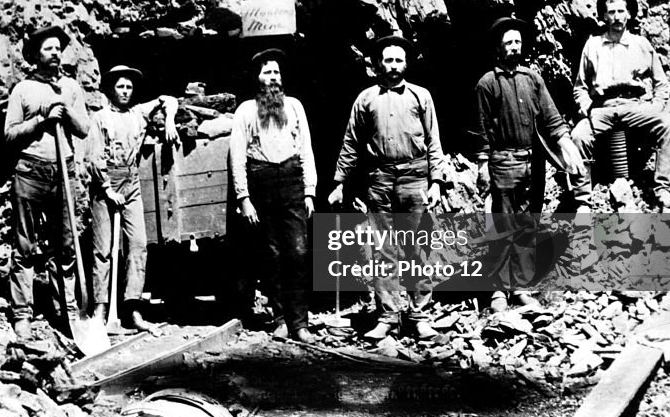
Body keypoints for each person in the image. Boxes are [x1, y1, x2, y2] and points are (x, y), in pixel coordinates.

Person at [328, 34, 446, 341]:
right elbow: (351, 143)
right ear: (378, 64)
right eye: (388, 60)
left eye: (398, 60)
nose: (393, 66)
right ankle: (388, 316)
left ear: (406, 63)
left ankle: (418, 315)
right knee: (383, 249)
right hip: (380, 179)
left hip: (415, 177)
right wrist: (339, 182)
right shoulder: (366, 99)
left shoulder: (421, 96)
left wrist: (436, 182)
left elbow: (434, 141)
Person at [473, 17, 585, 311]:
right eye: (508, 43)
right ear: (498, 48)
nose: (514, 47)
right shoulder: (488, 83)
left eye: (517, 42)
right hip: (504, 160)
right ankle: (498, 292)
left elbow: (550, 116)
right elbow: (482, 128)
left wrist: (565, 142)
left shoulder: (533, 79)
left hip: (532, 162)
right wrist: (483, 164)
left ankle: (521, 288)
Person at [4, 24, 89, 339]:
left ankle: (65, 311)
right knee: (25, 246)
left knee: (65, 246)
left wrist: (66, 115)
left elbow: (84, 129)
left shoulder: (71, 88)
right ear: (35, 55)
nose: (55, 53)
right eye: (48, 49)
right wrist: (41, 121)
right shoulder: (23, 90)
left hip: (63, 172)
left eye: (58, 48)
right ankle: (22, 314)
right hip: (29, 171)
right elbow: (9, 134)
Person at [230, 48, 317, 343]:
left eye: (277, 73)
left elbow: (306, 149)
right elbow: (237, 157)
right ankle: (280, 320)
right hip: (261, 184)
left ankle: (300, 323)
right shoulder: (245, 111)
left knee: (299, 253)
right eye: (267, 72)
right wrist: (243, 197)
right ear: (257, 78)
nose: (273, 78)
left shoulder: (294, 107)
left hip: (292, 182)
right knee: (273, 255)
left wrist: (309, 191)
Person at [569, 0, 670, 212]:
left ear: (629, 14)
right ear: (603, 16)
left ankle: (663, 190)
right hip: (603, 108)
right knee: (578, 136)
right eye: (611, 12)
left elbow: (661, 83)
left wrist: (656, 107)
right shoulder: (592, 46)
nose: (617, 17)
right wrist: (586, 108)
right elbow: (580, 88)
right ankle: (583, 200)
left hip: (635, 106)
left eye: (621, 11)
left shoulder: (641, 44)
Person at [85, 65, 179, 331]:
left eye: (129, 87)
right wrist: (107, 190)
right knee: (103, 250)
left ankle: (133, 308)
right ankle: (101, 310)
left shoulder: (138, 114)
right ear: (111, 90)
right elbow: (93, 157)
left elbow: (168, 100)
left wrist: (170, 119)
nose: (125, 91)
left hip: (131, 182)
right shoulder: (100, 118)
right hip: (106, 183)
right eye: (120, 87)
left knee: (138, 245)